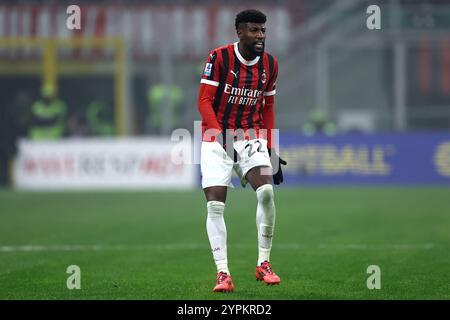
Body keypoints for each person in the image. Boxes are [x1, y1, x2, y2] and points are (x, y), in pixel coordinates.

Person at [198, 9, 287, 293]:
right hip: (216, 138)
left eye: (263, 30)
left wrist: (271, 147)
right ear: (239, 32)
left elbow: (269, 107)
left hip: (250, 136)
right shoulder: (219, 57)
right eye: (253, 30)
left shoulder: (270, 65)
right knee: (215, 205)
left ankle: (264, 263)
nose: (260, 36)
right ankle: (222, 273)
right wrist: (221, 137)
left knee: (267, 192)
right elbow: (204, 101)